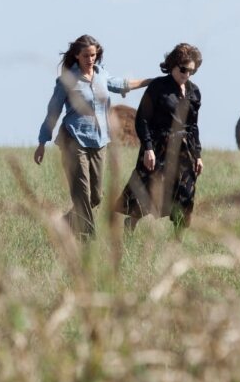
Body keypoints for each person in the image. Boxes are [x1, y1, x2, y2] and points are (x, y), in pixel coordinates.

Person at [35, 34, 151, 239]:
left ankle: (63, 224)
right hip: (74, 139)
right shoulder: (67, 80)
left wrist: (150, 82)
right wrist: (42, 141)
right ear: (77, 56)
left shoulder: (101, 75)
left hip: (100, 140)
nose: (91, 59)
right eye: (87, 56)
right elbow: (53, 111)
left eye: (94, 55)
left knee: (96, 197)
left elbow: (122, 84)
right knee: (82, 194)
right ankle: (89, 238)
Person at [115, 43, 204, 232]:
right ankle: (131, 223)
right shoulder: (157, 87)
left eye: (191, 71)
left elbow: (193, 126)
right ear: (173, 65)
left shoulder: (194, 92)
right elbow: (142, 119)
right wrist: (148, 148)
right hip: (158, 147)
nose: (186, 74)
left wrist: (197, 155)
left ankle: (178, 242)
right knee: (148, 191)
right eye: (183, 69)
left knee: (185, 194)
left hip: (185, 150)